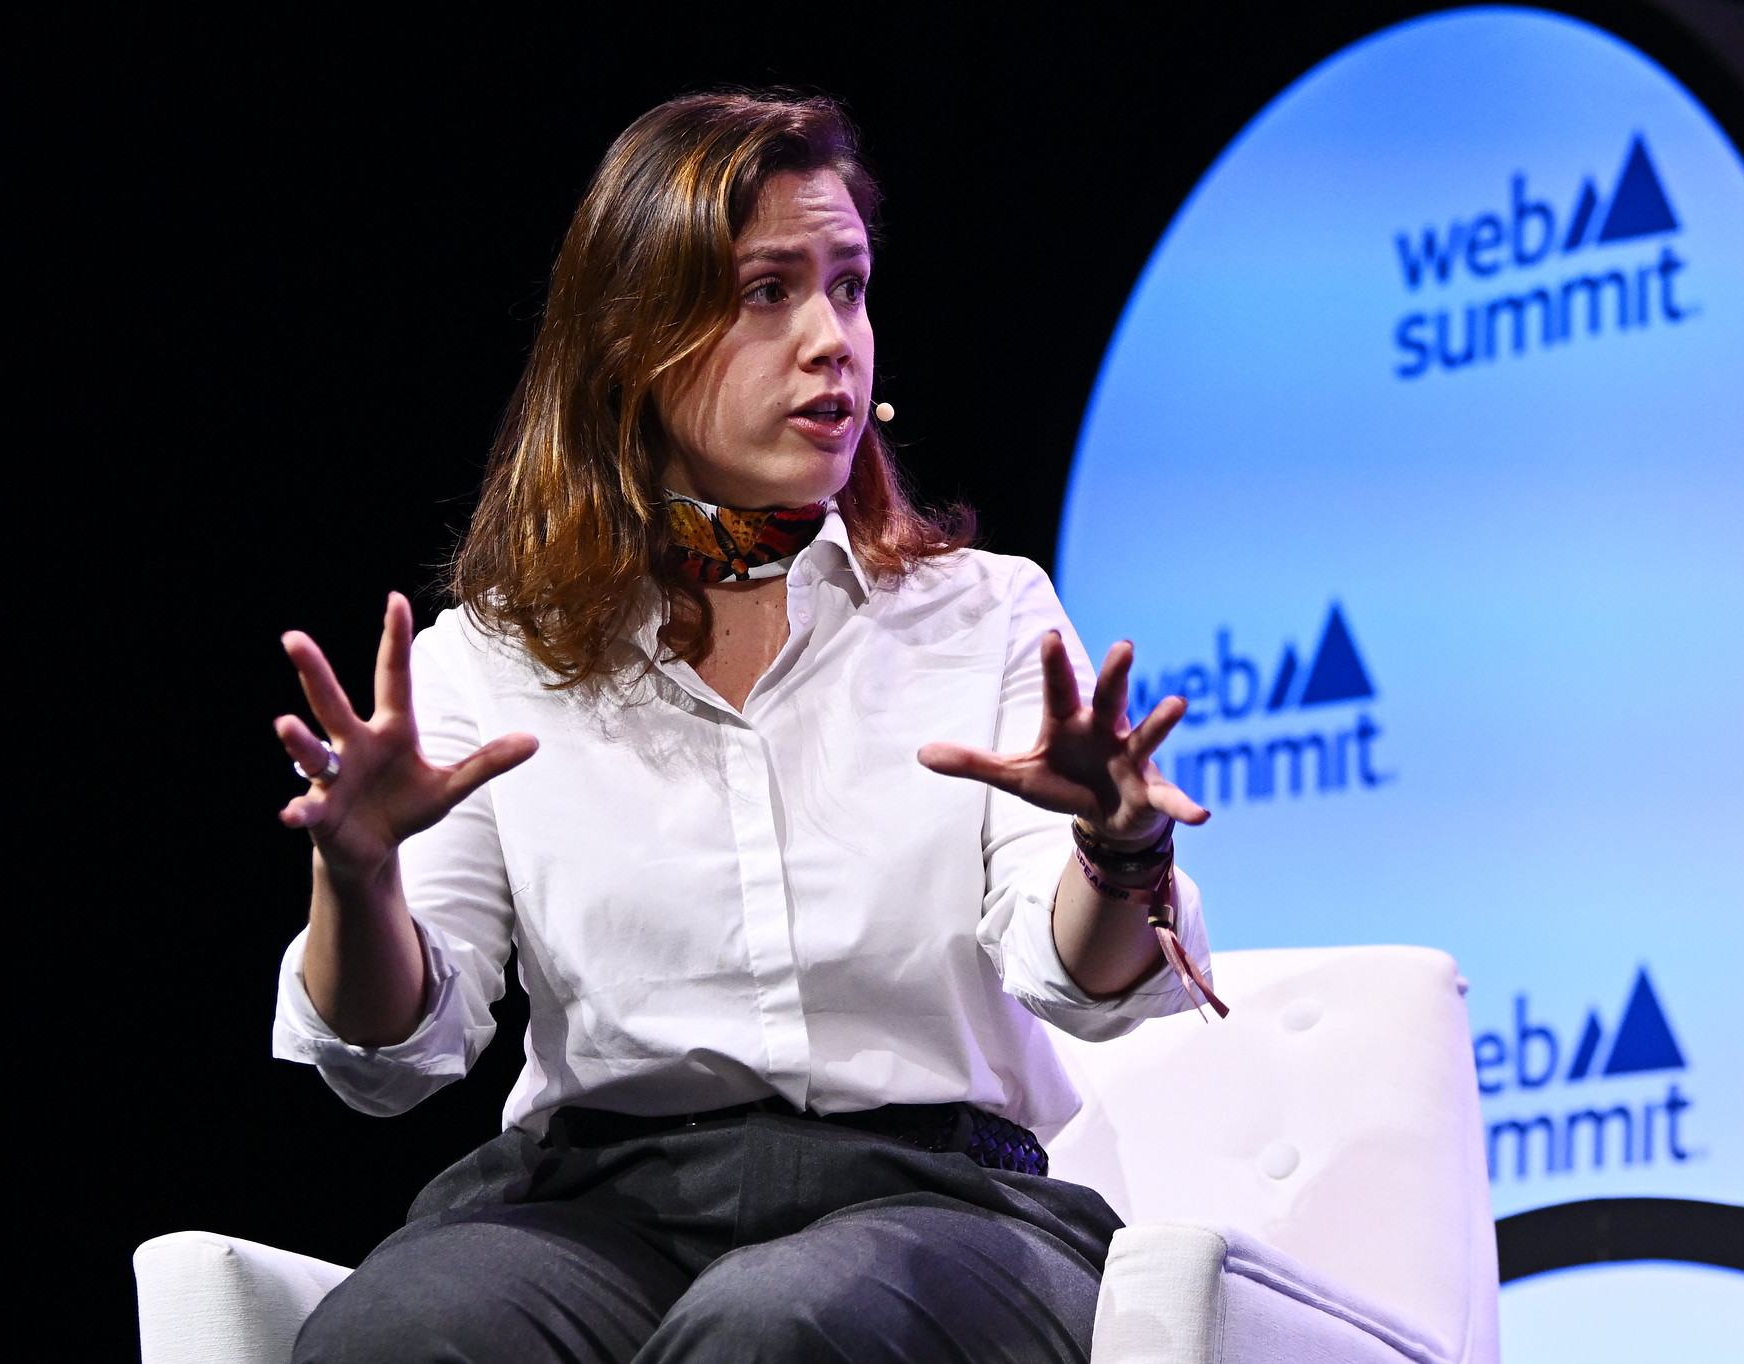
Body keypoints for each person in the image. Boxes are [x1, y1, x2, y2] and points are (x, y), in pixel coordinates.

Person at [270, 90, 1215, 1364]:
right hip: (595, 1207)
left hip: (934, 1203)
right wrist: (356, 871)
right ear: (632, 342)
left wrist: (1118, 853)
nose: (835, 339)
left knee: (782, 1322)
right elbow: (395, 1053)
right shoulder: (489, 658)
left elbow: (1085, 986)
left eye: (850, 285)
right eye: (769, 291)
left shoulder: (984, 615)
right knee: (400, 1330)